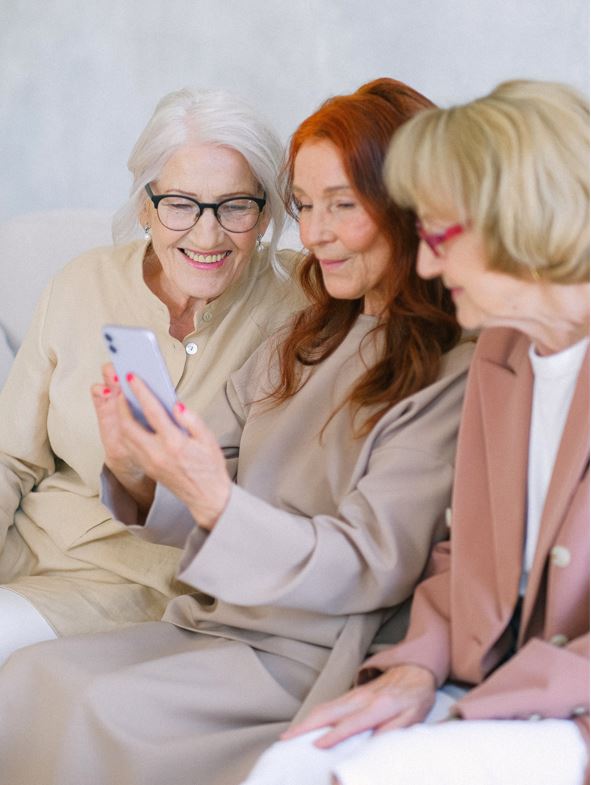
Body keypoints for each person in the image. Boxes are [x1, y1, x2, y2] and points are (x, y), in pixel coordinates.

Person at [0, 78, 473, 785]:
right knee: (30, 676)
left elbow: (372, 559)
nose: (313, 233)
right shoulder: (312, 329)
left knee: (96, 701)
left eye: (340, 205)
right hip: (223, 613)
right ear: (146, 205)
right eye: (306, 206)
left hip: (308, 639)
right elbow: (204, 461)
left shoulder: (446, 363)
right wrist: (138, 463)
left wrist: (212, 497)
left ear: (409, 204)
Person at [242, 79, 590, 785]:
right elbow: (460, 551)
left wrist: (484, 713)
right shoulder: (502, 354)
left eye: (437, 234)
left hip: (565, 703)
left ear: (514, 216)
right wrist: (412, 664)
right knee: (289, 765)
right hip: (485, 682)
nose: (425, 262)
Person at [0, 86, 307, 665]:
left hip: (141, 590)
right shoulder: (81, 282)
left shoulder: (303, 306)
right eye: (180, 204)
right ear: (146, 206)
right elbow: (10, 457)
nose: (207, 235)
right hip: (25, 549)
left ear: (266, 213)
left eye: (235, 205)